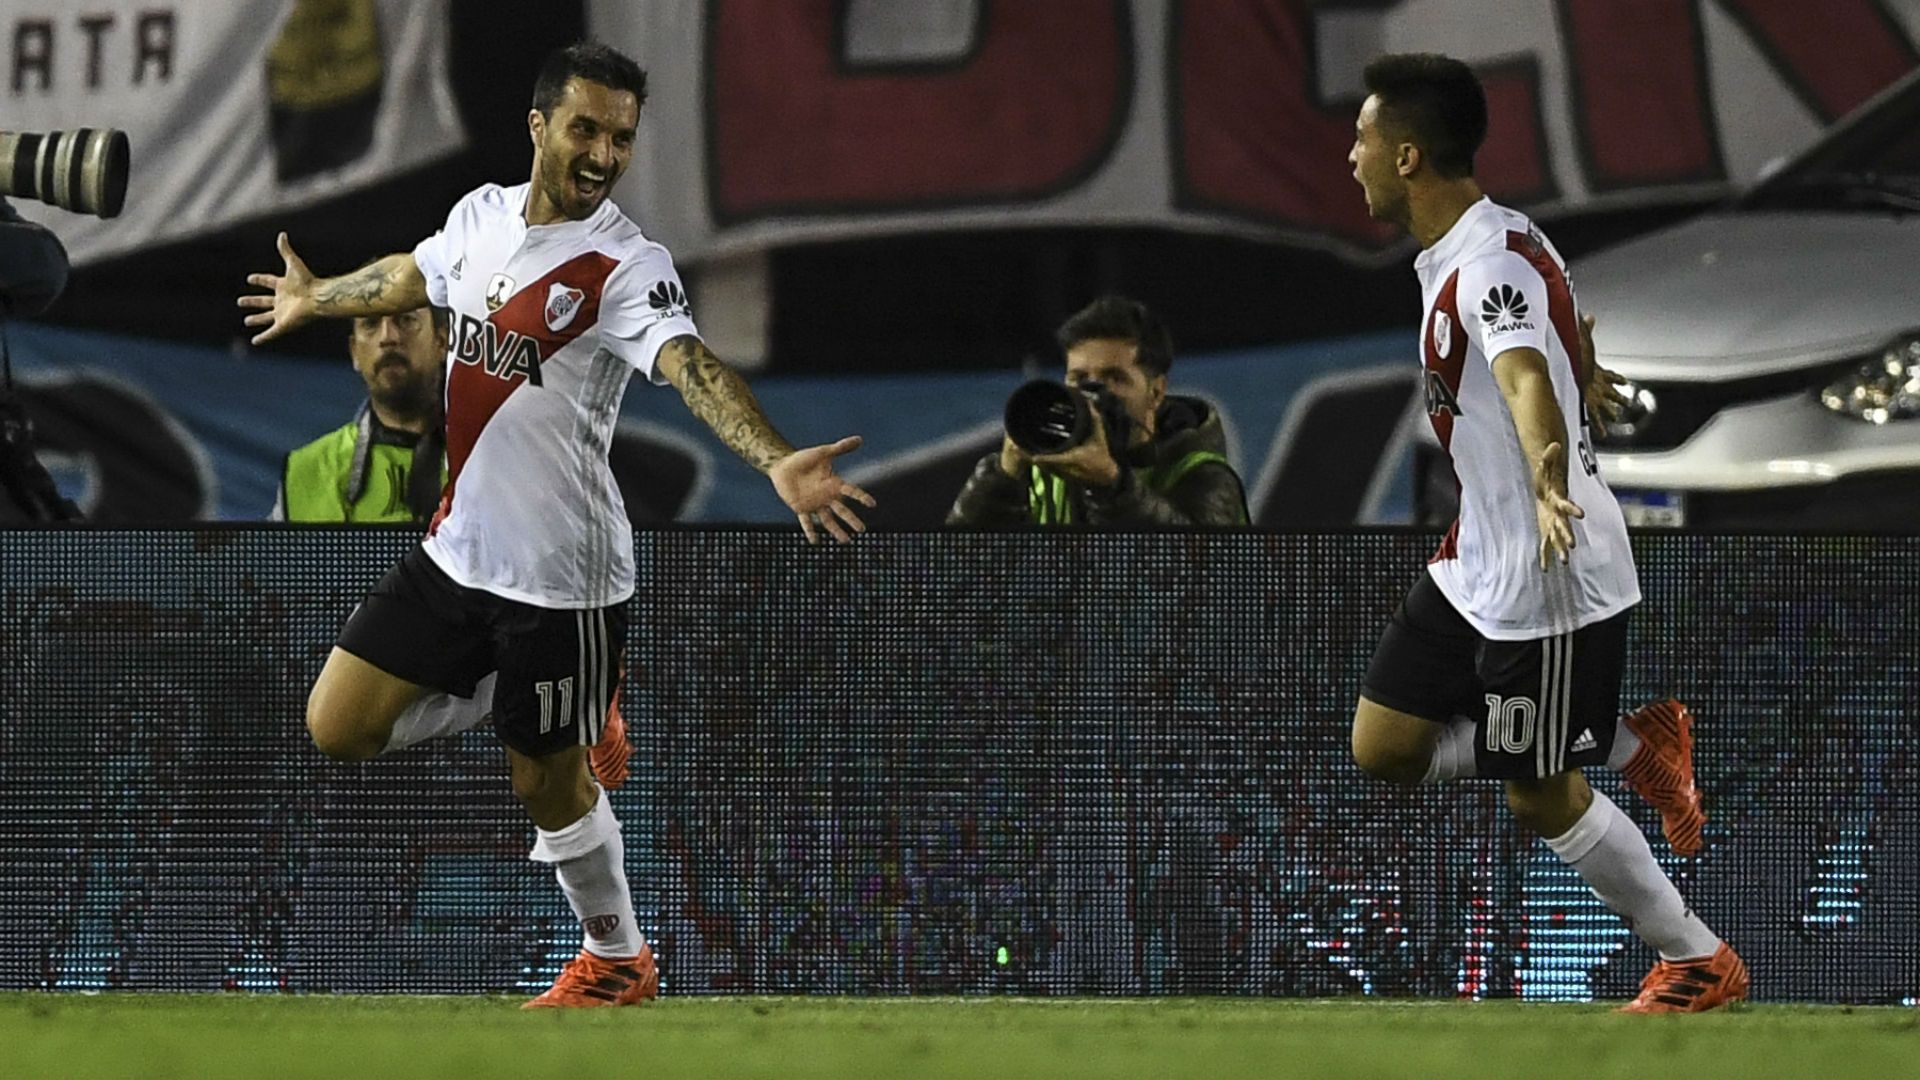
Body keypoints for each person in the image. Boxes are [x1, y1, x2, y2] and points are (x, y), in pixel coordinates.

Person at [237, 41, 874, 1008]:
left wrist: (773, 456)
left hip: (561, 578)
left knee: (545, 782)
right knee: (338, 727)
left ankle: (618, 960)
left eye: (621, 137)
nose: (604, 153)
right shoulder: (480, 218)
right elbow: (415, 274)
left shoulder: (625, 263)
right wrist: (318, 296)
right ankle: (567, 708)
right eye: (586, 129)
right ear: (539, 126)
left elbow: (689, 365)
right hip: (457, 552)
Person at [1344, 53, 1742, 1013]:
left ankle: (1695, 958)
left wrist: (1551, 474)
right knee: (1383, 747)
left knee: (1537, 792)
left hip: (1547, 567)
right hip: (1476, 554)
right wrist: (1587, 377)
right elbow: (1553, 339)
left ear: (1406, 157)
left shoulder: (1482, 267)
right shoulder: (1496, 240)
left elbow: (1522, 374)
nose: (1346, 157)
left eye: (1358, 138)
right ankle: (1629, 742)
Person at [946, 295, 1249, 527]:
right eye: (1079, 379)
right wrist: (1001, 480)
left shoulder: (1204, 478)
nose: (1092, 394)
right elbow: (955, 578)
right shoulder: (1038, 471)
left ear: (1155, 392)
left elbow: (1195, 585)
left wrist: (1111, 487)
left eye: (1114, 378)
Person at [271, 305, 448, 523]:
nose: (388, 337)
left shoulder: (491, 458)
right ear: (354, 351)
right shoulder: (308, 471)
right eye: (370, 324)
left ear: (442, 342)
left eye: (406, 320)